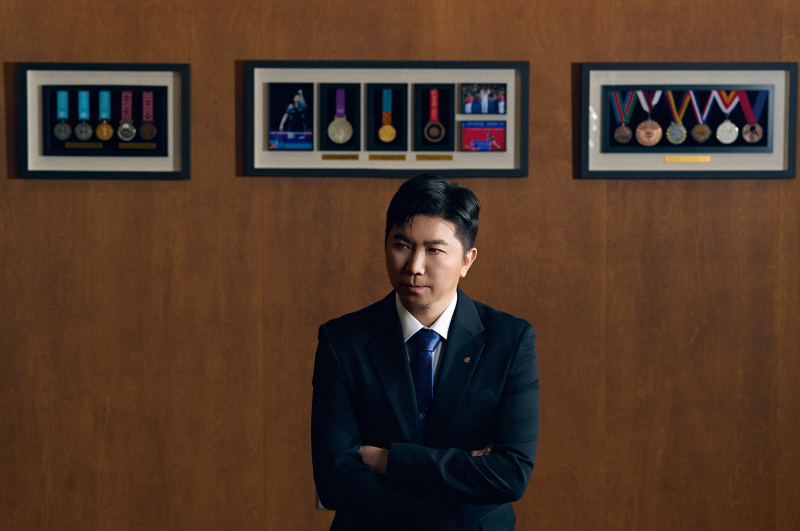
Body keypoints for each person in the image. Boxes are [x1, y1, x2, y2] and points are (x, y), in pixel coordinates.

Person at [311, 174, 539, 531]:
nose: (414, 266)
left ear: (466, 260)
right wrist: (464, 487)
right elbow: (335, 482)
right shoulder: (342, 341)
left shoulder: (510, 341)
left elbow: (509, 476)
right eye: (402, 245)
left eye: (434, 250)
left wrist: (385, 459)